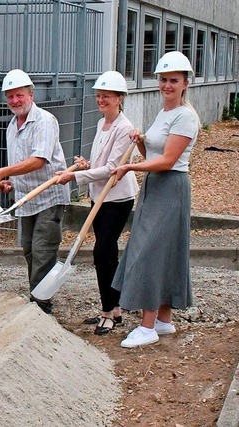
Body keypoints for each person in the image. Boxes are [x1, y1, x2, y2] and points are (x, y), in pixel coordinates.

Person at [110, 51, 200, 348]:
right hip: (156, 185)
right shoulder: (163, 113)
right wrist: (139, 144)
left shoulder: (185, 117)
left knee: (150, 251)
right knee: (164, 250)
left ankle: (147, 327)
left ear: (186, 83)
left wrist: (130, 166)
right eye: (163, 80)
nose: (167, 85)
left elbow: (169, 161)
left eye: (174, 80)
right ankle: (163, 321)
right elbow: (155, 156)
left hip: (171, 187)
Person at [56, 71, 139, 334]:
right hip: (98, 196)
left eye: (107, 96)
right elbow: (102, 165)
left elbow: (113, 168)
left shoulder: (124, 128)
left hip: (116, 198)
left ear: (119, 98)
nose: (101, 100)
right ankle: (116, 309)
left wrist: (74, 176)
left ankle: (107, 313)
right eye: (99, 95)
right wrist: (87, 165)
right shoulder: (101, 123)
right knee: (108, 253)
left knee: (101, 252)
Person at [0, 69, 70, 313]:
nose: (14, 101)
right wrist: (7, 180)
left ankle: (40, 305)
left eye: (19, 95)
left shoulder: (44, 121)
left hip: (48, 197)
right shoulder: (12, 126)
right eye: (10, 97)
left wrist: (2, 171)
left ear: (31, 95)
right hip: (26, 200)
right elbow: (21, 166)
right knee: (28, 249)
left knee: (43, 249)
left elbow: (38, 160)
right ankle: (38, 296)